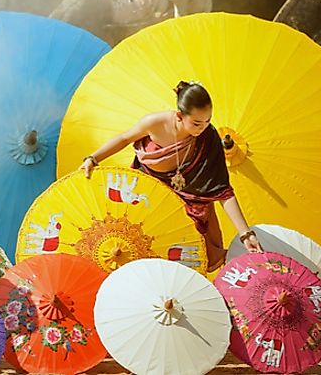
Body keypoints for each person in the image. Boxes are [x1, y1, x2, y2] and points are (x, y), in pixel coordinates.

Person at [79, 81, 262, 272]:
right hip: (150, 200)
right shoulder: (154, 123)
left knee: (185, 265)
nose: (203, 128)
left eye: (208, 121)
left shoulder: (208, 138)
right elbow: (124, 138)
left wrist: (246, 234)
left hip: (191, 206)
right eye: (197, 123)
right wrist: (93, 158)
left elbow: (223, 191)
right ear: (179, 116)